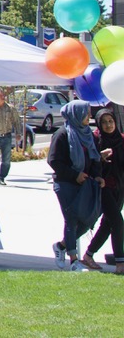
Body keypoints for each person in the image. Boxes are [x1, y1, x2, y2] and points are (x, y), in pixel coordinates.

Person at [48, 100, 105, 271]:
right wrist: (75, 175)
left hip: (86, 184)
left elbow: (94, 159)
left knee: (89, 219)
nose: (89, 116)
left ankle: (61, 246)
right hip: (66, 183)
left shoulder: (88, 134)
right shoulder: (63, 134)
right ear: (76, 114)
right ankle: (74, 261)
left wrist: (97, 176)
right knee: (71, 219)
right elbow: (54, 161)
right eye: (86, 112)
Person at [81, 109, 123, 272]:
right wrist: (100, 157)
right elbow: (87, 162)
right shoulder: (95, 139)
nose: (108, 125)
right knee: (118, 222)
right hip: (102, 187)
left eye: (111, 121)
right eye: (104, 122)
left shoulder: (121, 139)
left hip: (120, 188)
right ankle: (120, 262)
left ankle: (88, 255)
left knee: (108, 224)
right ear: (99, 123)